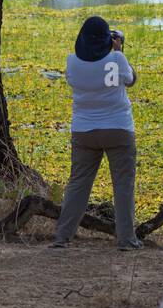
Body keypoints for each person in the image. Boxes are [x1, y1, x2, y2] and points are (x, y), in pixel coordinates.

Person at [52, 16, 142, 250]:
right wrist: (119, 50)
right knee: (123, 186)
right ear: (107, 39)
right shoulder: (117, 59)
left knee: (78, 185)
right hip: (118, 129)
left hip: (84, 131)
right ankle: (126, 239)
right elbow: (131, 80)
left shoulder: (72, 63)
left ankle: (62, 236)